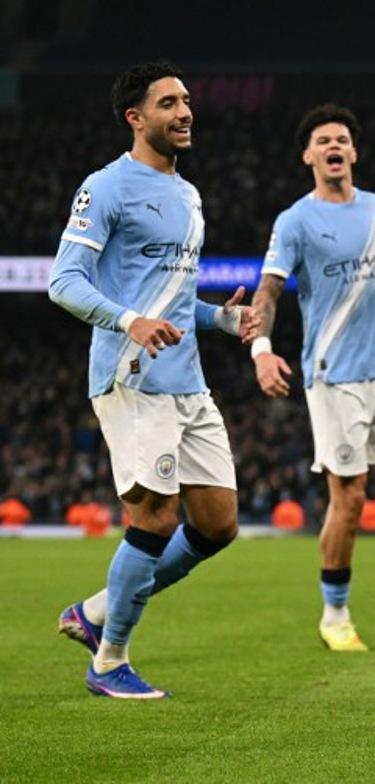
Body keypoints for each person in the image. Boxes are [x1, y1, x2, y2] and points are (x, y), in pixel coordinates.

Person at [51, 61, 259, 698]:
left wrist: (221, 319)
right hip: (131, 376)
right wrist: (129, 321)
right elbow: (64, 282)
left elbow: (175, 302)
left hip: (187, 380)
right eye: (168, 102)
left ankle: (95, 611)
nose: (185, 111)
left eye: (187, 100)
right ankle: (109, 661)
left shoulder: (189, 194)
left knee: (218, 524)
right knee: (155, 516)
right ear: (135, 117)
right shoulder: (106, 187)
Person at [251, 104, 375, 652]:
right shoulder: (295, 221)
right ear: (308, 156)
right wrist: (261, 350)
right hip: (333, 377)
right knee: (348, 500)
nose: (334, 146)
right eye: (323, 140)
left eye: (342, 139)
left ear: (354, 152)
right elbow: (269, 292)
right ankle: (334, 615)